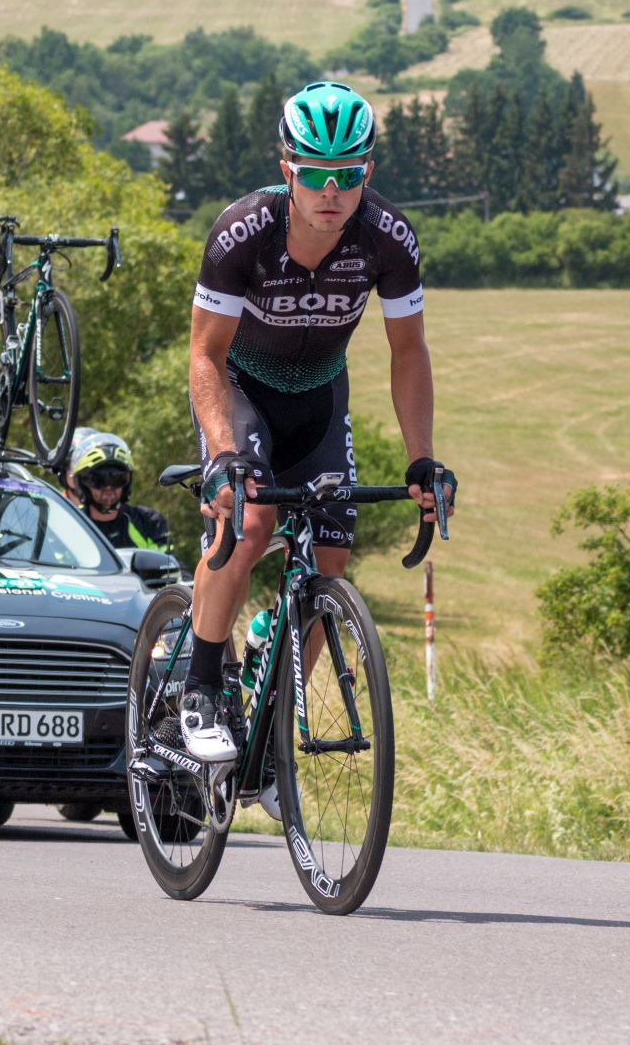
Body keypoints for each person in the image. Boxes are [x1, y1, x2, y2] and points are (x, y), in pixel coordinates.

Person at [183, 80, 455, 768]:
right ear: (287, 170)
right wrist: (222, 453)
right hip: (241, 389)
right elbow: (205, 355)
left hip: (319, 396)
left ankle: (273, 730)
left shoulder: (388, 238)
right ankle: (201, 689)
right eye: (313, 175)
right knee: (249, 525)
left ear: (368, 171)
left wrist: (422, 459)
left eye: (348, 175)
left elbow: (409, 351)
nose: (330, 191)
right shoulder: (243, 232)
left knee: (331, 558)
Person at [66, 429, 172, 554]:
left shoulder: (149, 521)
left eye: (117, 478)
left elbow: (168, 562)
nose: (108, 487)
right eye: (98, 480)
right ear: (82, 483)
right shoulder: (70, 523)